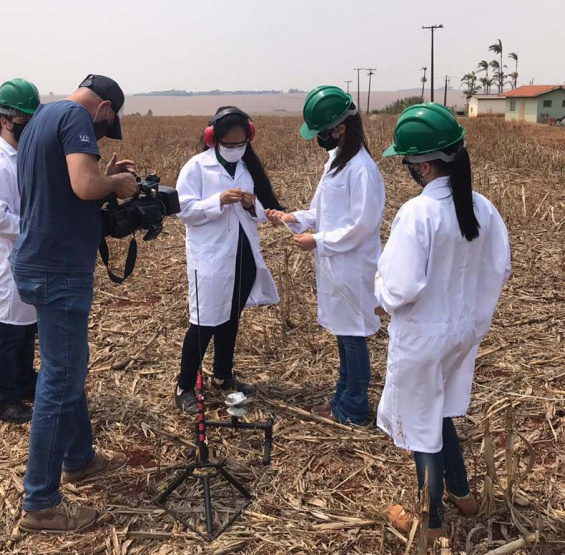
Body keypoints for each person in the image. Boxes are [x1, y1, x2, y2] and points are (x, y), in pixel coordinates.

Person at [375, 104, 511, 546]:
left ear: (426, 164)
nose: (408, 170)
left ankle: (429, 522)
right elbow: (500, 268)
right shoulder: (482, 207)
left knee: (420, 426)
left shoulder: (419, 214)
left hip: (422, 337)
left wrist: (378, 286)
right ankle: (464, 494)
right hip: (464, 334)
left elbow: (398, 289)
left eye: (409, 163)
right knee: (440, 410)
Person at [9, 74, 140, 533]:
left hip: (39, 260)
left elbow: (64, 187)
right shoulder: (77, 119)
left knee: (66, 368)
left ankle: (80, 458)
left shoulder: (43, 116)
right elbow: (85, 185)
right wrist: (117, 184)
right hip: (59, 268)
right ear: (104, 108)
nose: (104, 131)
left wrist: (108, 177)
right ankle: (40, 504)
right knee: (60, 379)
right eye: (107, 125)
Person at [266, 85, 385, 426]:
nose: (319, 138)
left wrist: (317, 241)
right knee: (344, 336)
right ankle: (341, 400)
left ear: (340, 128)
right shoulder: (336, 162)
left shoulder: (361, 169)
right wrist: (293, 219)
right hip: (337, 266)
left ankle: (354, 408)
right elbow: (322, 211)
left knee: (353, 338)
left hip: (352, 266)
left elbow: (362, 225)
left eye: (322, 132)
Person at [174, 107, 283, 414]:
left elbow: (264, 213)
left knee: (231, 317)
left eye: (241, 144)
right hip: (209, 258)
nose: (236, 150)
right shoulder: (196, 168)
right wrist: (218, 201)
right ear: (213, 140)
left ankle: (223, 375)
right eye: (230, 145)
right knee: (203, 321)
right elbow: (184, 211)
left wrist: (252, 205)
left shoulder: (249, 168)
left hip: (243, 253)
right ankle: (184, 384)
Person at [0, 79, 41, 424]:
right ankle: (3, 399)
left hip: (28, 258)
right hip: (8, 263)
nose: (28, 130)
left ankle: (25, 380)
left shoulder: (21, 157)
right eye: (23, 123)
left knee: (27, 328)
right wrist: (38, 225)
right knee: (7, 332)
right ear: (4, 120)